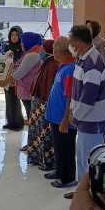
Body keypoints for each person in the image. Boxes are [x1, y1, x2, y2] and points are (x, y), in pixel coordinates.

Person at [69, 26, 105, 183]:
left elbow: (88, 97)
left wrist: (75, 116)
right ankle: (82, 192)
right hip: (85, 119)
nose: (70, 46)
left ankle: (90, 199)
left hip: (92, 120)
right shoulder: (84, 58)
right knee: (82, 159)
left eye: (72, 42)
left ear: (79, 43)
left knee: (90, 163)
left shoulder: (92, 62)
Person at [44, 37, 78, 189]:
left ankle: (67, 178)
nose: (52, 52)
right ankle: (59, 171)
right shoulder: (63, 66)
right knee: (58, 147)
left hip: (62, 119)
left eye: (54, 50)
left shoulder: (70, 69)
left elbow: (70, 97)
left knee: (66, 149)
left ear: (60, 51)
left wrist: (65, 119)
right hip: (55, 117)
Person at [28, 39, 59, 171]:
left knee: (44, 133)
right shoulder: (46, 63)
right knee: (39, 133)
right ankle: (37, 157)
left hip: (45, 106)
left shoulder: (53, 65)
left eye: (42, 49)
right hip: (39, 105)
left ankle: (46, 160)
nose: (40, 51)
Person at [10, 32, 43, 120]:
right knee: (31, 116)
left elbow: (18, 74)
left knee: (32, 117)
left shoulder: (32, 56)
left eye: (22, 42)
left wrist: (4, 78)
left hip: (28, 91)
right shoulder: (31, 53)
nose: (21, 44)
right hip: (28, 91)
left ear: (29, 42)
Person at [3, 26, 24, 131]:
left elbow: (21, 64)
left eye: (16, 35)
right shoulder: (7, 47)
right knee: (8, 100)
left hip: (16, 78)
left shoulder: (22, 48)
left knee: (15, 101)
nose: (14, 37)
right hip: (6, 77)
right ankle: (10, 122)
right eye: (12, 34)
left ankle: (18, 123)